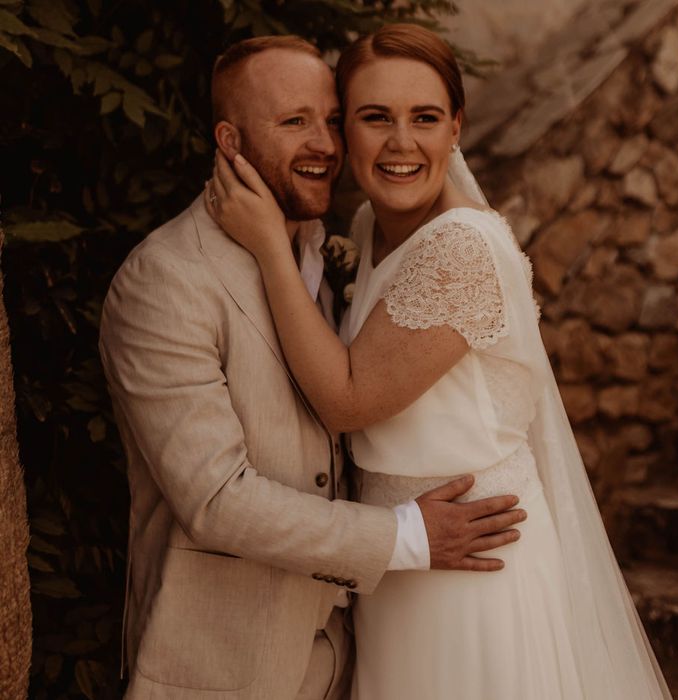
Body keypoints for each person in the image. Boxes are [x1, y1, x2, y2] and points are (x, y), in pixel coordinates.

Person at [207, 24, 673, 700]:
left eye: (425, 118)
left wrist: (270, 251)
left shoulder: (462, 249)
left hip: (476, 578)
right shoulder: (369, 228)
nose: (401, 143)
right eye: (374, 118)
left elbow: (346, 399)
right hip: (400, 571)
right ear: (346, 133)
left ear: (456, 128)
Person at [99, 35, 528, 700]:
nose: (325, 145)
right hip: (226, 671)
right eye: (294, 122)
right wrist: (403, 536)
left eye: (331, 120)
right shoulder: (166, 281)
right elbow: (216, 501)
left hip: (355, 657)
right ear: (230, 141)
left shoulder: (323, 249)